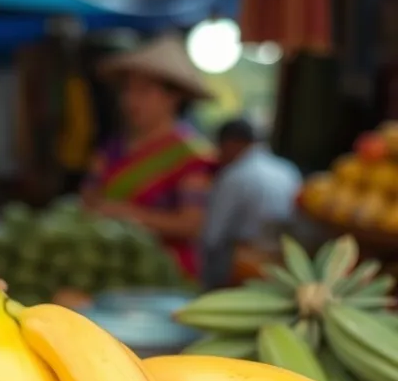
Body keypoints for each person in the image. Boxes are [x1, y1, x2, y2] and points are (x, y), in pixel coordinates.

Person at [83, 35, 217, 278]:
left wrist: (131, 215)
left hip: (164, 274)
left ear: (172, 97)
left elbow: (192, 225)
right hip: (109, 268)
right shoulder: (110, 149)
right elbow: (89, 199)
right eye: (127, 90)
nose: (130, 101)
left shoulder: (191, 156)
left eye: (143, 92)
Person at [201, 118, 303, 289]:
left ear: (232, 143)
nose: (219, 155)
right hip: (285, 267)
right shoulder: (288, 170)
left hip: (242, 268)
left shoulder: (235, 175)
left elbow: (213, 234)